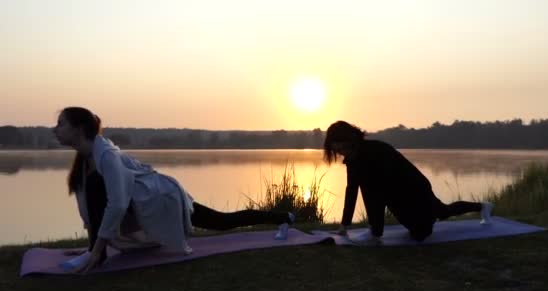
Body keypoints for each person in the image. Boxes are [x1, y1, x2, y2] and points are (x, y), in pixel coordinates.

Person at [53, 107, 294, 273]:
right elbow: (91, 207)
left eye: (61, 123)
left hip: (162, 200)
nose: (56, 129)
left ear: (79, 128)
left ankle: (283, 218)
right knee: (221, 220)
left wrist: (95, 252)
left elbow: (115, 204)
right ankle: (97, 253)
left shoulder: (106, 155)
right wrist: (92, 246)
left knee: (222, 221)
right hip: (143, 204)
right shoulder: (86, 159)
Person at [323, 120, 493, 245]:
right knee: (437, 214)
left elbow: (378, 191)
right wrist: (344, 226)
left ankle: (482, 207)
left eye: (343, 148)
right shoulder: (353, 160)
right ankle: (481, 207)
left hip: (415, 191)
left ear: (351, 140)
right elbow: (352, 190)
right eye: (337, 151)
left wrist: (375, 232)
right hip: (395, 197)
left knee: (429, 224)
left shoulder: (377, 150)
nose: (341, 153)